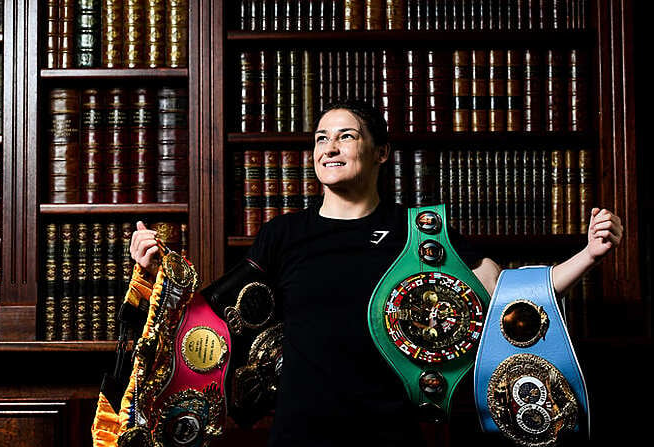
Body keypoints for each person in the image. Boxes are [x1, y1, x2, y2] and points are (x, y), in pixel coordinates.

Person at [128, 100, 624, 446]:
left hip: (392, 433)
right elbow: (213, 318)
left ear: (381, 152)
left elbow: (509, 295)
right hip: (300, 433)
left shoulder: (423, 233)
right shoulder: (282, 235)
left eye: (346, 135)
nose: (329, 147)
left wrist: (587, 256)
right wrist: (153, 274)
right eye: (321, 138)